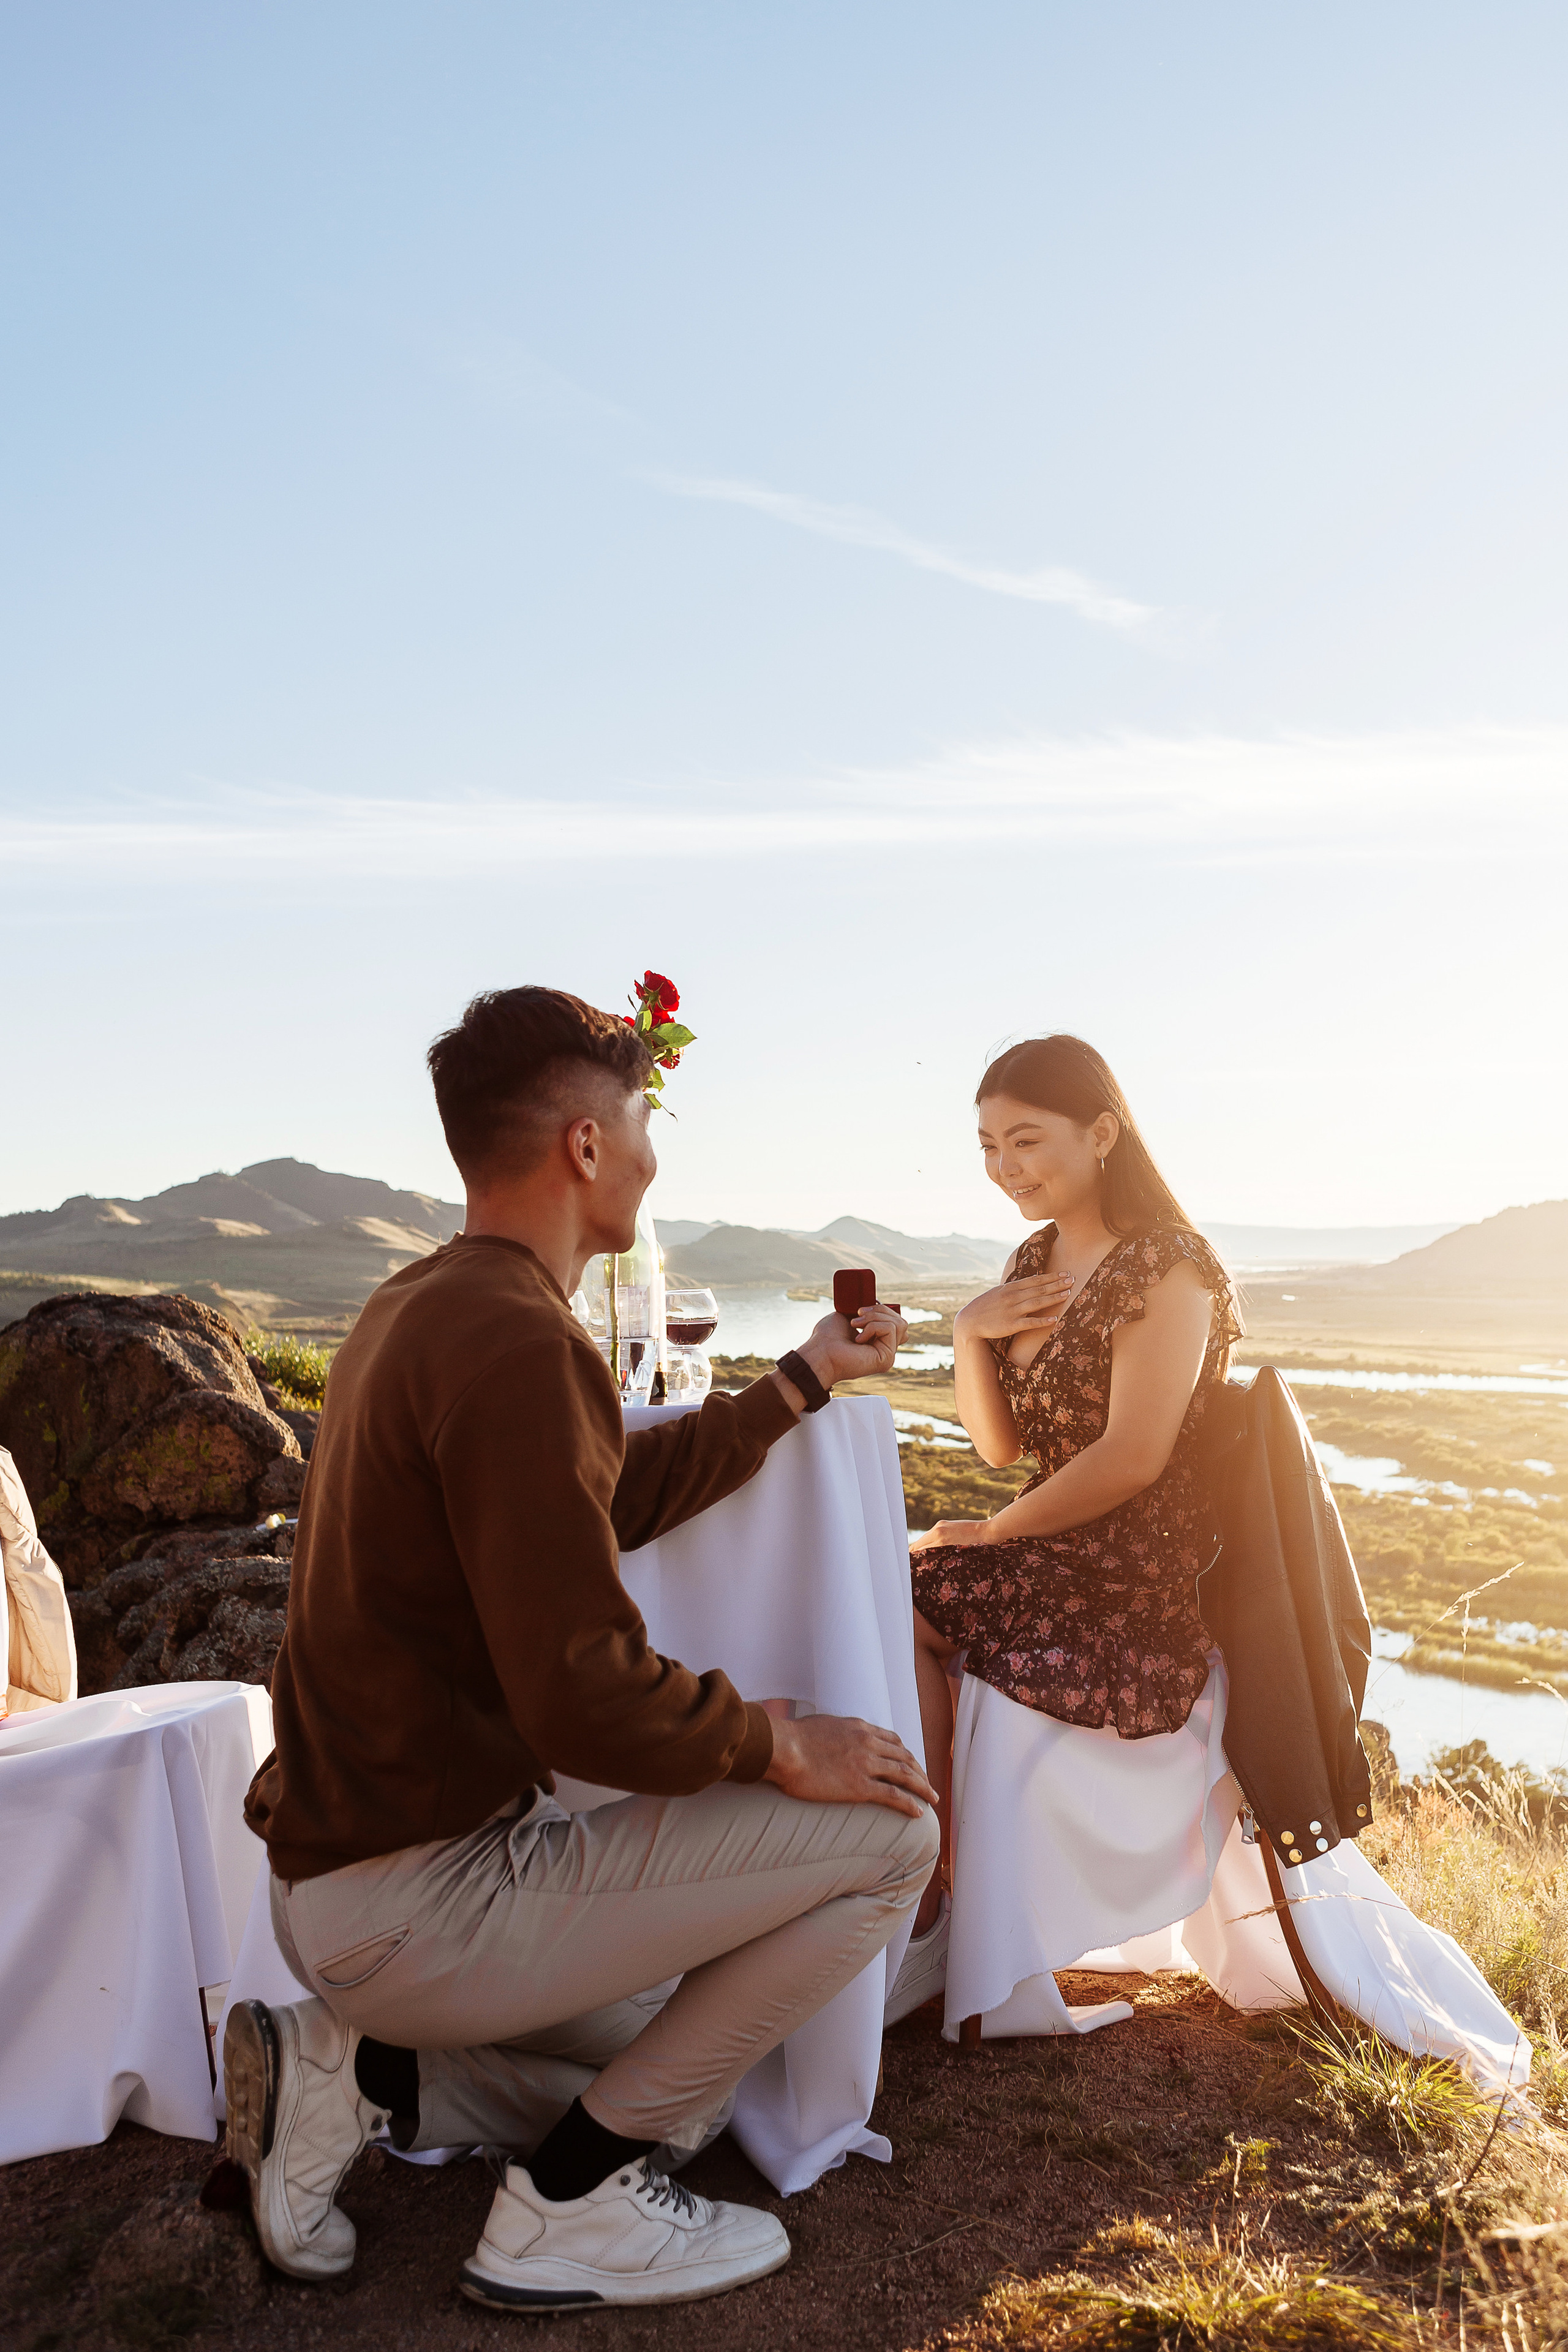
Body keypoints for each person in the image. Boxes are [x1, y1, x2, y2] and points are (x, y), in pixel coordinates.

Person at [229, 986, 938, 2314]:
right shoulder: (512, 1338)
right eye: (640, 1119)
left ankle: (360, 2077)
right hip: (416, 1903)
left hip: (338, 1887)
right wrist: (775, 1742)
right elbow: (582, 1699)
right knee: (893, 1839)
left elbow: (600, 1501)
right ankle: (571, 2210)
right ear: (585, 1144)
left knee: (687, 2055)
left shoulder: (420, 1305)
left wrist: (796, 1384)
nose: (654, 1152)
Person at [888, 1033, 1238, 2002]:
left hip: (1128, 1573)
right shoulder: (1034, 1258)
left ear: (1103, 1133)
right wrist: (969, 1330)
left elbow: (1134, 1456)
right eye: (990, 1148)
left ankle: (936, 1897)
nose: (1006, 1170)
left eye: (1027, 1142)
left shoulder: (1170, 1267)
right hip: (1049, 1547)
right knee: (877, 1595)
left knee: (900, 1603)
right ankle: (925, 1886)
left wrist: (995, 1535)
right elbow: (998, 1448)